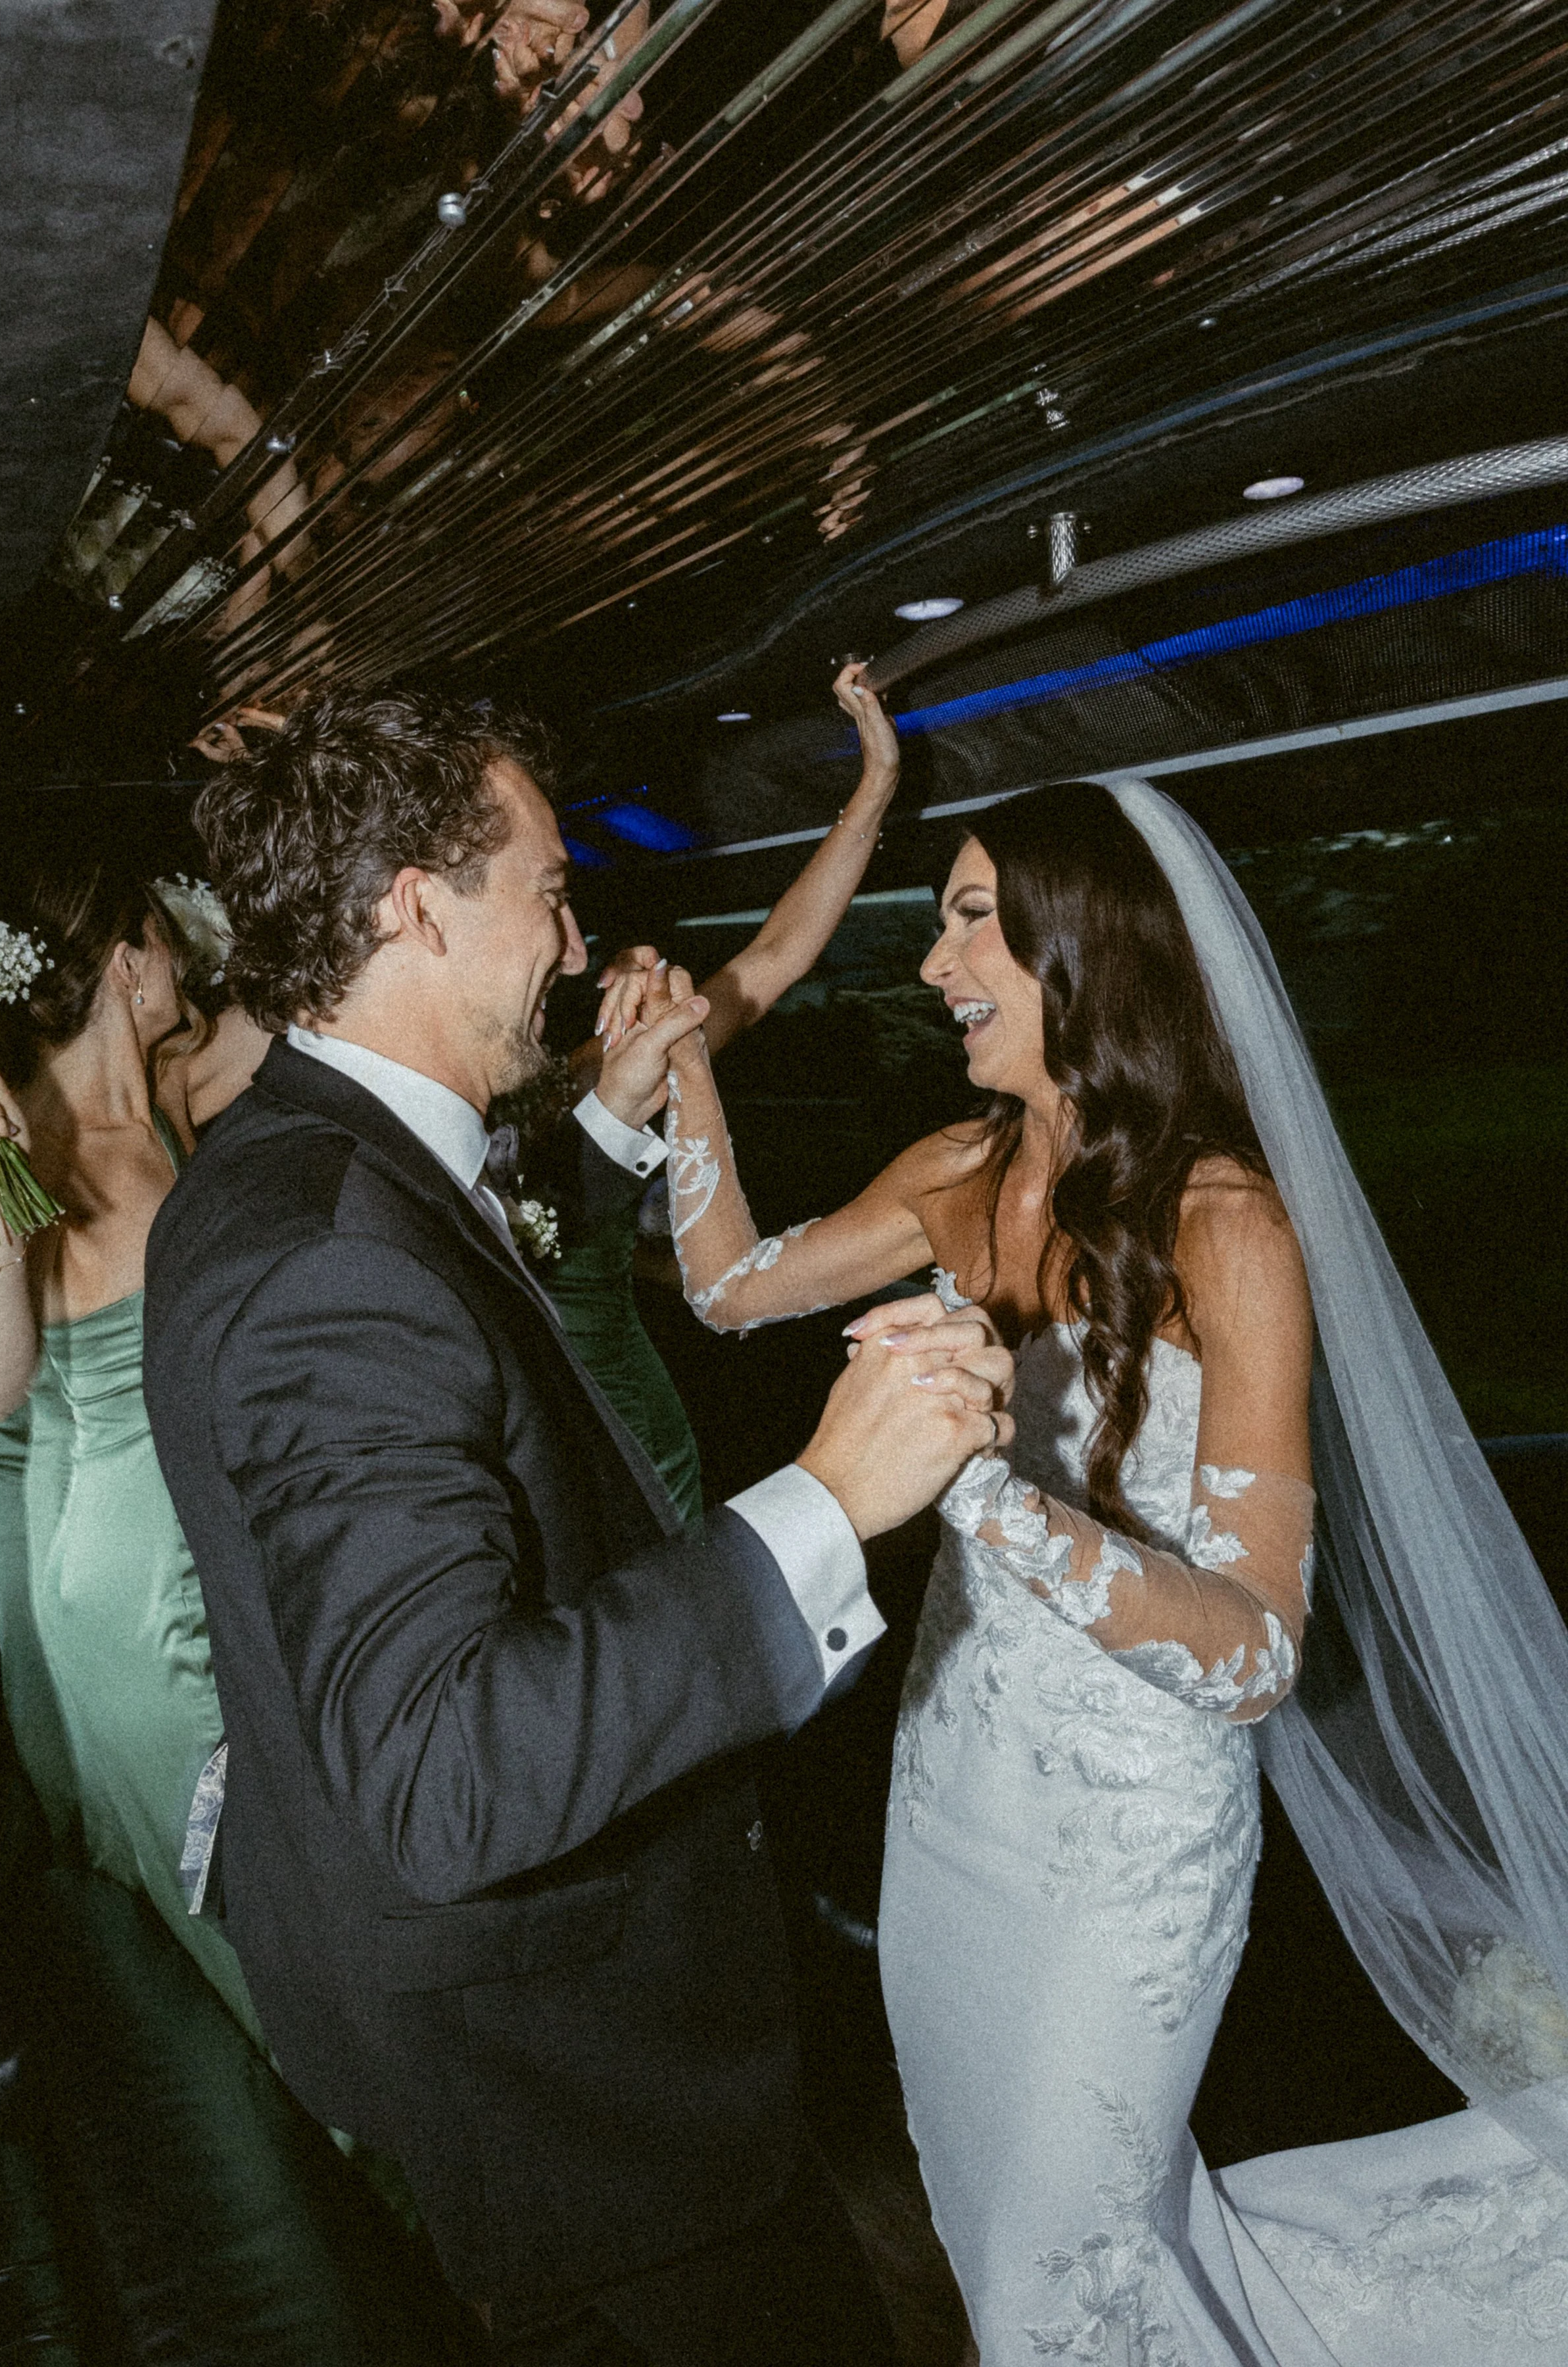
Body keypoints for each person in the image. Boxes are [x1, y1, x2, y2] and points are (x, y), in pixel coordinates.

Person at [139, 685, 1013, 2364]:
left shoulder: (283, 1170)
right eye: (546, 886)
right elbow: (444, 1769)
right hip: (570, 2081)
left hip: (477, 2049)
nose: (573, 932)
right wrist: (823, 1502)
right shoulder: (331, 1245)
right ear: (414, 905)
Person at [655, 775, 1568, 2365]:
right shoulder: (956, 1166)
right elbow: (733, 1287)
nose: (933, 967)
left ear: (1086, 949)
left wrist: (996, 1502)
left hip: (1131, 1846)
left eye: (968, 924)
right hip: (953, 1798)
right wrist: (683, 1078)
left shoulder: (1228, 1228)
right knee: (983, 2217)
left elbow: (1259, 1651)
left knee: (1066, 2269)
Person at [0, 856, 264, 2042]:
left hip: (198, 1530)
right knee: (231, 1896)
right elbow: (0, 1377)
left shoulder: (163, 1096)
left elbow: (319, 992)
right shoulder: (31, 1157)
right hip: (135, 1580)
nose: (185, 963)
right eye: (168, 941)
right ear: (126, 962)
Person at [529, 657, 903, 1521]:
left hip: (622, 1425)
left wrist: (878, 782)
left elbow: (776, 956)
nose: (571, 948)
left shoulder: (610, 1062)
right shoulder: (410, 1105)